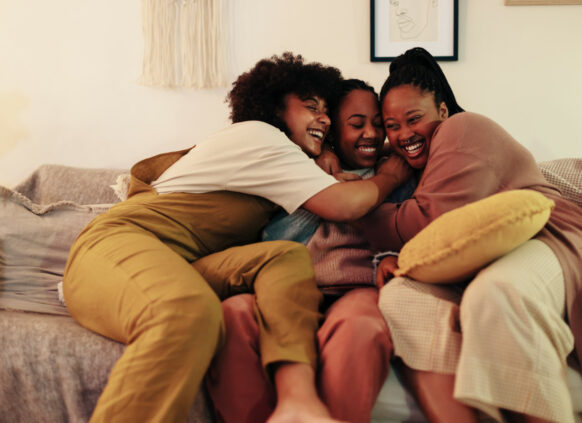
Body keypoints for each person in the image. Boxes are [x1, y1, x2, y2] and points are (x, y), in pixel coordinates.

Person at [62, 53, 411, 423]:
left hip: (180, 262)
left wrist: (328, 154)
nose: (323, 118)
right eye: (311, 107)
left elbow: (346, 170)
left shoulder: (287, 161)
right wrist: (389, 175)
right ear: (274, 108)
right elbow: (346, 204)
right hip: (120, 243)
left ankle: (298, 400)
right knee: (190, 312)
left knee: (284, 257)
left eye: (327, 111)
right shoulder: (258, 136)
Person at [365, 47, 582, 423]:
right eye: (392, 125)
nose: (403, 134)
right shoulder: (412, 159)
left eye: (413, 119)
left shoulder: (463, 129)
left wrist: (355, 207)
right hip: (477, 256)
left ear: (443, 111)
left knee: (498, 294)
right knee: (401, 300)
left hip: (545, 236)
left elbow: (424, 222)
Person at [204, 78, 416, 423]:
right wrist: (326, 167)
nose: (372, 134)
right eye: (357, 124)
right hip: (288, 289)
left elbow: (413, 229)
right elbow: (271, 237)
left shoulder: (398, 169)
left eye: (379, 125)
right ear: (332, 131)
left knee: (360, 325)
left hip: (355, 287)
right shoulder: (300, 166)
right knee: (234, 313)